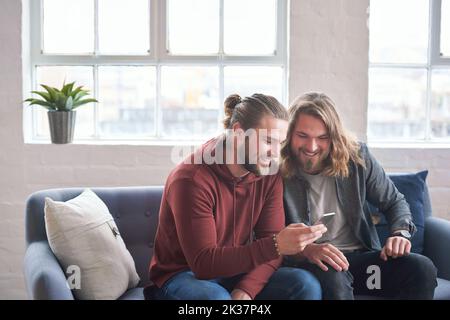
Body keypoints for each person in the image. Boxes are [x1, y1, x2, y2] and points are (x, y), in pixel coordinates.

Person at [145, 93, 327, 300]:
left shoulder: (268, 172)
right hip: (182, 276)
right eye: (268, 141)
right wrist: (277, 244)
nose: (275, 153)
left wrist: (246, 290)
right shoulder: (191, 178)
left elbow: (272, 246)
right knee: (215, 298)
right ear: (239, 133)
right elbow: (204, 264)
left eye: (280, 143)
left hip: (235, 270)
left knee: (304, 284)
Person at [280, 92, 438, 300]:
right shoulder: (276, 169)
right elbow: (270, 236)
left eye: (322, 138)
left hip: (362, 262)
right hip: (314, 263)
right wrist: (307, 250)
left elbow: (394, 201)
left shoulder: (357, 158)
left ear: (334, 137)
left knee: (422, 268)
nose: (311, 147)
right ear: (289, 134)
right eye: (303, 136)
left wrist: (400, 233)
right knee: (333, 278)